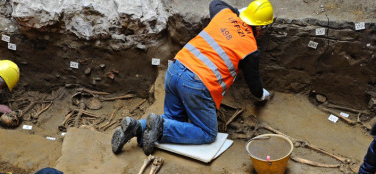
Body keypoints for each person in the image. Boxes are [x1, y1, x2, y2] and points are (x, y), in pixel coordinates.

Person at [112, 0, 275, 155]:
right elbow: (254, 84)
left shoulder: (224, 14)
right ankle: (161, 127)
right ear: (260, 28)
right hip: (197, 85)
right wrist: (263, 95)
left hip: (175, 69)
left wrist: (237, 14)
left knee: (173, 119)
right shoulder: (250, 49)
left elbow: (216, 2)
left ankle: (136, 127)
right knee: (208, 133)